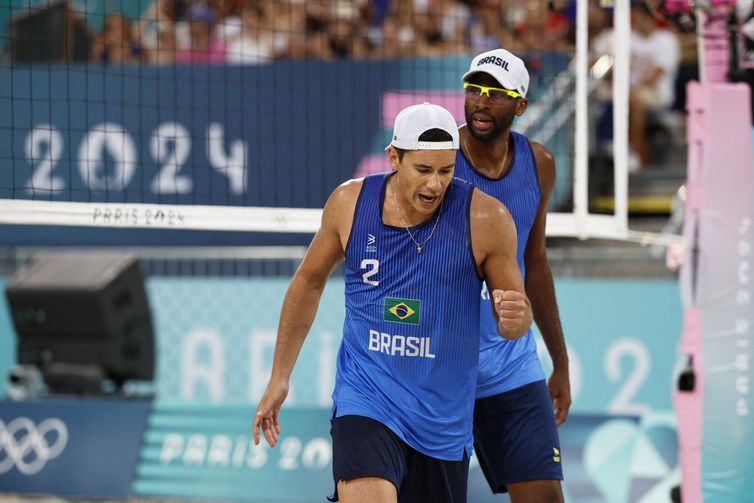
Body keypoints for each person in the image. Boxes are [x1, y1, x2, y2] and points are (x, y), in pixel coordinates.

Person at [253, 102, 533, 503]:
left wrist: (515, 317)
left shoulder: (487, 219)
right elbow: (309, 283)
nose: (436, 185)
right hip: (367, 396)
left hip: (441, 418)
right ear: (394, 158)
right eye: (423, 170)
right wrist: (280, 376)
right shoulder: (350, 203)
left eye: (446, 170)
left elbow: (513, 322)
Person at [456, 48, 571, 502]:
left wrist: (559, 363)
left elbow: (536, 262)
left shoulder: (539, 164)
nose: (482, 101)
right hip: (439, 366)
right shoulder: (438, 159)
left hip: (512, 365)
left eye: (497, 94)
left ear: (521, 105)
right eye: (475, 89)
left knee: (545, 496)